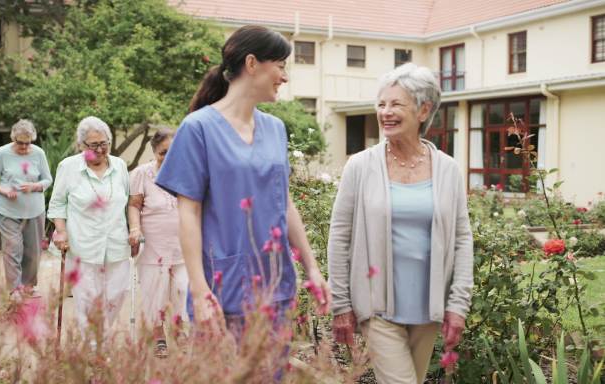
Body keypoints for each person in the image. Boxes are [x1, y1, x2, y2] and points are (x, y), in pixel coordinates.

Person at [155, 25, 330, 334]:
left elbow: (285, 202)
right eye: (280, 66)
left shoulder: (275, 128)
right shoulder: (198, 129)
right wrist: (198, 288)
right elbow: (188, 214)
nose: (284, 76)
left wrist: (312, 267)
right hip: (222, 289)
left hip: (276, 286)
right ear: (252, 64)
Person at [328, 63, 473, 384]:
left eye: (396, 104)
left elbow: (462, 239)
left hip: (428, 308)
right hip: (376, 307)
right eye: (381, 104)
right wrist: (340, 304)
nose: (385, 112)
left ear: (423, 110)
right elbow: (340, 236)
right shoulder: (361, 167)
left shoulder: (448, 170)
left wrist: (458, 304)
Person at [48, 116, 131, 339]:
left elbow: (128, 202)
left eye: (104, 143)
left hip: (116, 244)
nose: (100, 149)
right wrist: (61, 230)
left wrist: (134, 231)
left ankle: (101, 337)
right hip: (82, 246)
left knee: (116, 295)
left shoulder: (120, 166)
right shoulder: (69, 167)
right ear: (81, 146)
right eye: (93, 145)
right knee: (86, 301)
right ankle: (94, 350)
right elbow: (57, 204)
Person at [128, 129, 187, 356]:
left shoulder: (188, 172)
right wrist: (135, 228)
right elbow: (134, 205)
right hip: (153, 244)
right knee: (155, 292)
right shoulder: (142, 174)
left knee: (183, 289)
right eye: (163, 152)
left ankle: (179, 329)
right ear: (154, 152)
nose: (168, 157)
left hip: (182, 244)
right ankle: (159, 334)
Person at [0, 119, 52, 299]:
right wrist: (3, 189)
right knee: (13, 247)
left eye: (27, 142)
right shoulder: (3, 153)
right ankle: (14, 289)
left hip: (34, 210)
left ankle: (29, 286)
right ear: (13, 138)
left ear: (33, 139)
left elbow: (48, 179)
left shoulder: (38, 153)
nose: (23, 146)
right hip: (7, 210)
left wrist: (35, 186)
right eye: (19, 142)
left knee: (33, 250)